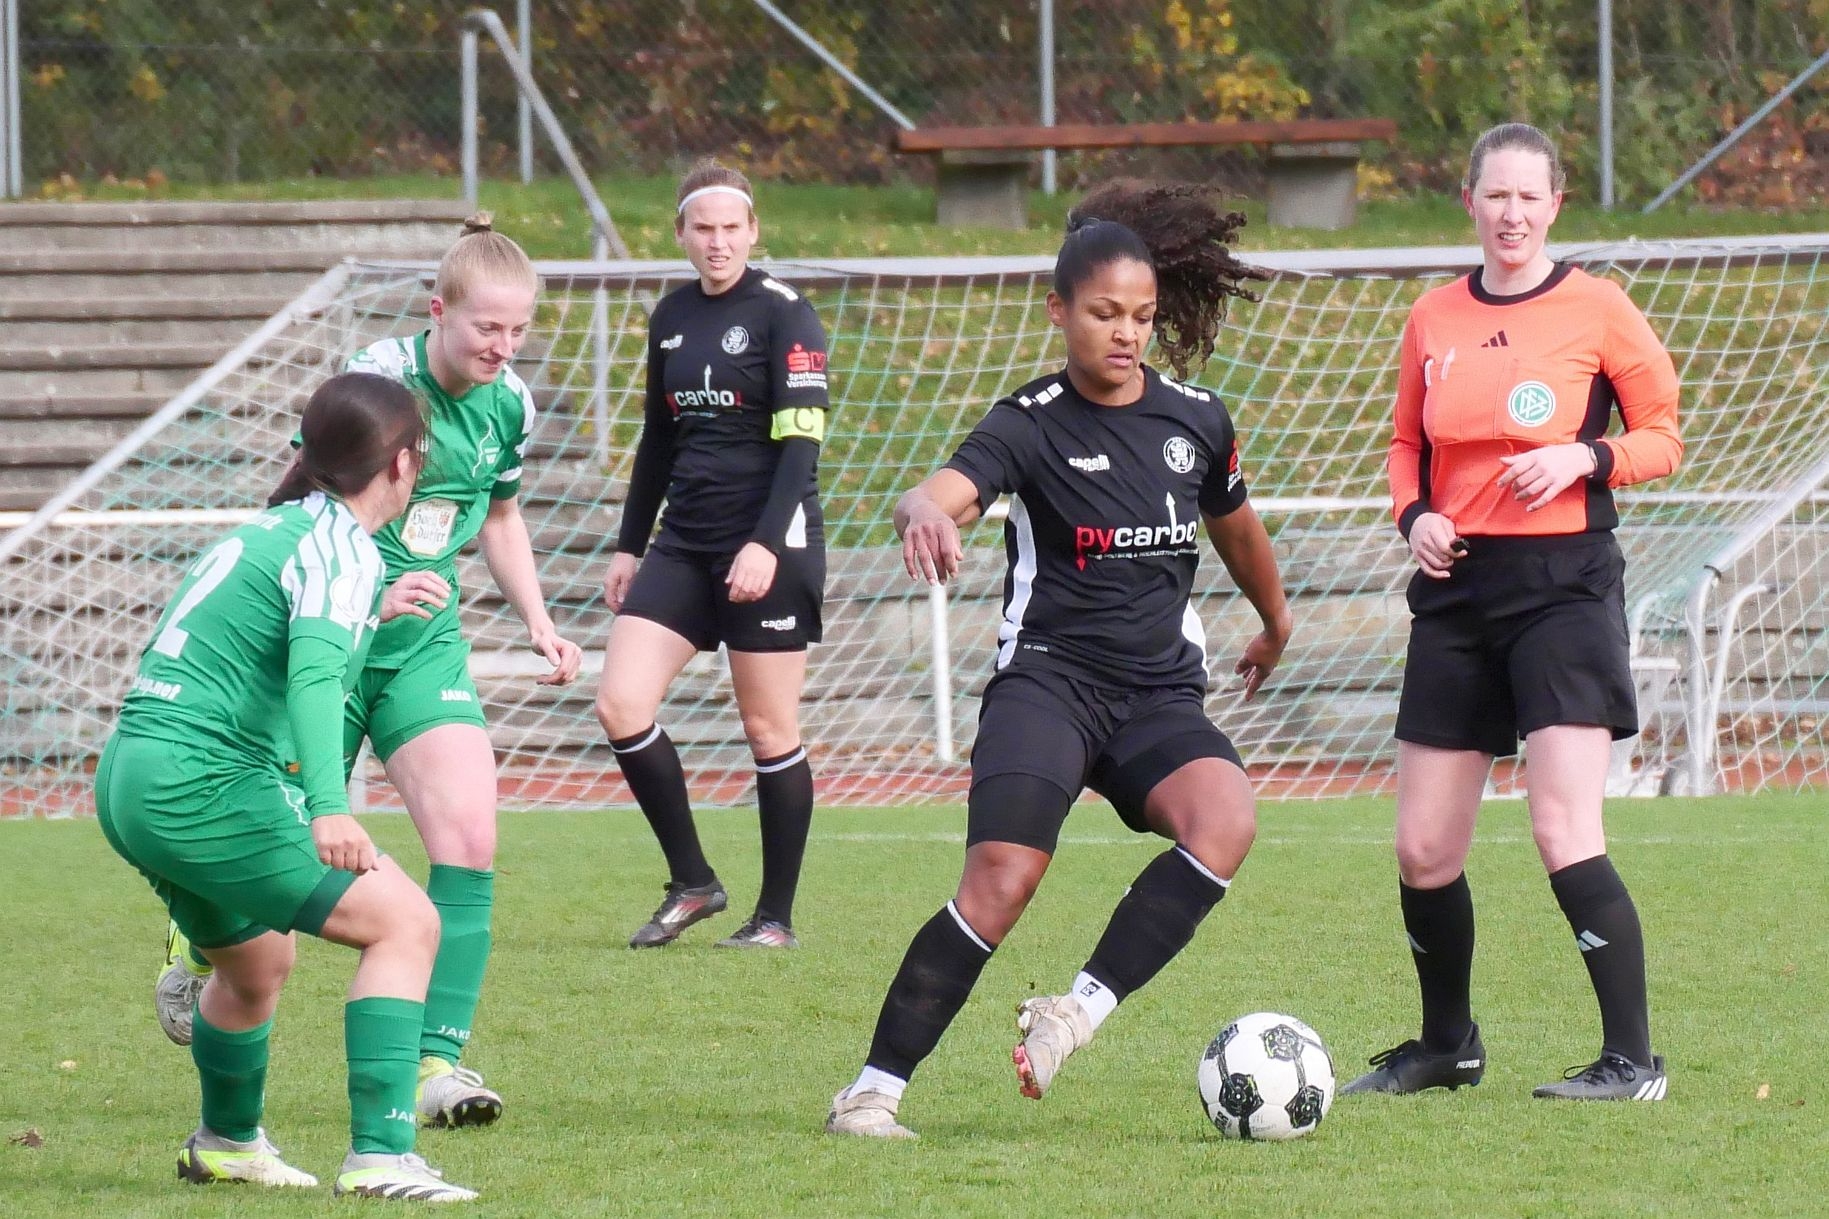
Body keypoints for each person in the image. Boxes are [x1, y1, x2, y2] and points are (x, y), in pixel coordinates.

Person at [826, 181, 1289, 1139]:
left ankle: (1074, 1012)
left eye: (1142, 317)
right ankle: (871, 1091)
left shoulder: (1196, 419)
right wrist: (920, 514)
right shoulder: (1028, 422)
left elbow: (1237, 528)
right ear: (1058, 311)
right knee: (1000, 879)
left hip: (1155, 692)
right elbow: (939, 492)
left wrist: (1274, 623)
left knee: (1225, 819)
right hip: (1048, 683)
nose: (1126, 333)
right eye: (1104, 313)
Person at [155, 214, 584, 1130]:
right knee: (268, 856)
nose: (504, 348)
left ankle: (436, 1064)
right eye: (487, 328)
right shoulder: (380, 380)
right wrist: (355, 595)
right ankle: (199, 944)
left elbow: (499, 515)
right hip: (329, 640)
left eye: (518, 331)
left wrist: (539, 619)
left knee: (469, 837)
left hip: (423, 645)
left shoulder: (510, 402)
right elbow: (310, 496)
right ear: (439, 311)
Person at [1344, 123, 1682, 1102]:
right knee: (1422, 847)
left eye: (1529, 197)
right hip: (1456, 592)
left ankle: (1631, 1061)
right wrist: (1413, 516)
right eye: (1495, 195)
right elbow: (1404, 444)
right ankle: (1445, 1045)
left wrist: (1586, 456)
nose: (1511, 213)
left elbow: (1663, 436)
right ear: (1469, 202)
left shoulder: (1598, 307)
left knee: (1560, 825)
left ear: (1554, 205)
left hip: (1563, 588)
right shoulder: (1432, 316)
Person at [99, 372, 480, 1200]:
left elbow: (266, 637)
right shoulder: (342, 547)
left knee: (258, 964)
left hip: (131, 775)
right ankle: (381, 1156)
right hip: (201, 783)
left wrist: (372, 609)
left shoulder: (284, 527)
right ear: (402, 463)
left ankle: (227, 1143)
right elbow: (311, 680)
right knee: (408, 922)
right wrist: (330, 808)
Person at [594, 159, 829, 951]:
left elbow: (801, 444)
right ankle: (692, 881)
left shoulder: (786, 314)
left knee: (767, 726)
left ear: (753, 231)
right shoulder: (670, 315)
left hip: (769, 541)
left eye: (732, 227)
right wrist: (629, 545)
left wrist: (764, 541)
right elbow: (658, 439)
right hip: (683, 544)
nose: (718, 241)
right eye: (703, 228)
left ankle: (775, 918)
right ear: (681, 233)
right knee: (620, 703)